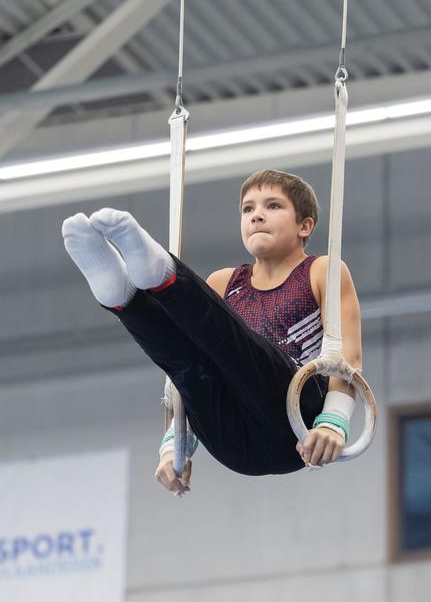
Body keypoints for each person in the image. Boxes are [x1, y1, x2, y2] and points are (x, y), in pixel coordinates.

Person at [62, 169, 361, 495]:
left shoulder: (322, 271)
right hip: (233, 441)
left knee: (232, 347)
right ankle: (122, 296)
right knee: (189, 364)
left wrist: (334, 423)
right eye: (248, 209)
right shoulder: (224, 283)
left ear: (305, 225)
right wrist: (173, 446)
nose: (257, 215)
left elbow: (348, 358)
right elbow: (187, 384)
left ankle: (164, 275)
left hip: (297, 421)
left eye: (273, 206)